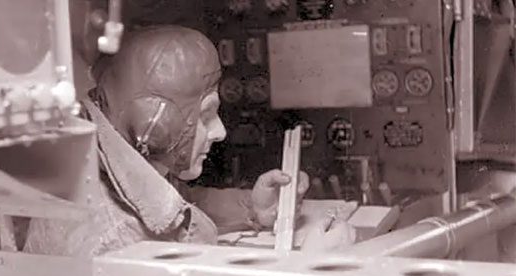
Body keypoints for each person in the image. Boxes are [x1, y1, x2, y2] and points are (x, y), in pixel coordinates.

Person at [25, 25, 317, 257]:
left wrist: (251, 208)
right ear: (154, 125)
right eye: (206, 115)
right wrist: (308, 262)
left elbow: (178, 205)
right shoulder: (116, 239)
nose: (220, 132)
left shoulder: (108, 156)